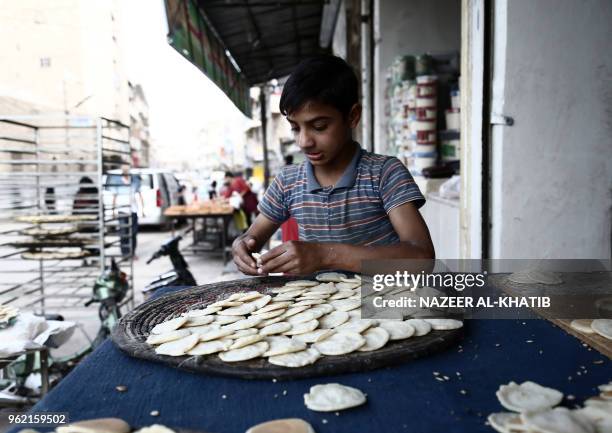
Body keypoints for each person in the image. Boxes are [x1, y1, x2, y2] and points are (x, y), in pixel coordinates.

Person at [232, 55, 434, 276]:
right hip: (317, 306)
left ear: (352, 117)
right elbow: (252, 237)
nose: (304, 142)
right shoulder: (288, 182)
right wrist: (241, 246)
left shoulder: (385, 173)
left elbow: (421, 257)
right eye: (295, 128)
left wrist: (325, 255)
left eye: (319, 126)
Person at [111, 165, 145, 258]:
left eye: (127, 169)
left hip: (133, 210)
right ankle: (125, 253)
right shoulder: (117, 181)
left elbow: (140, 195)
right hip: (122, 211)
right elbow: (114, 196)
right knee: (123, 233)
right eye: (124, 170)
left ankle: (132, 252)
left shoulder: (134, 181)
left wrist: (142, 209)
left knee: (133, 233)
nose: (126, 171)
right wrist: (113, 210)